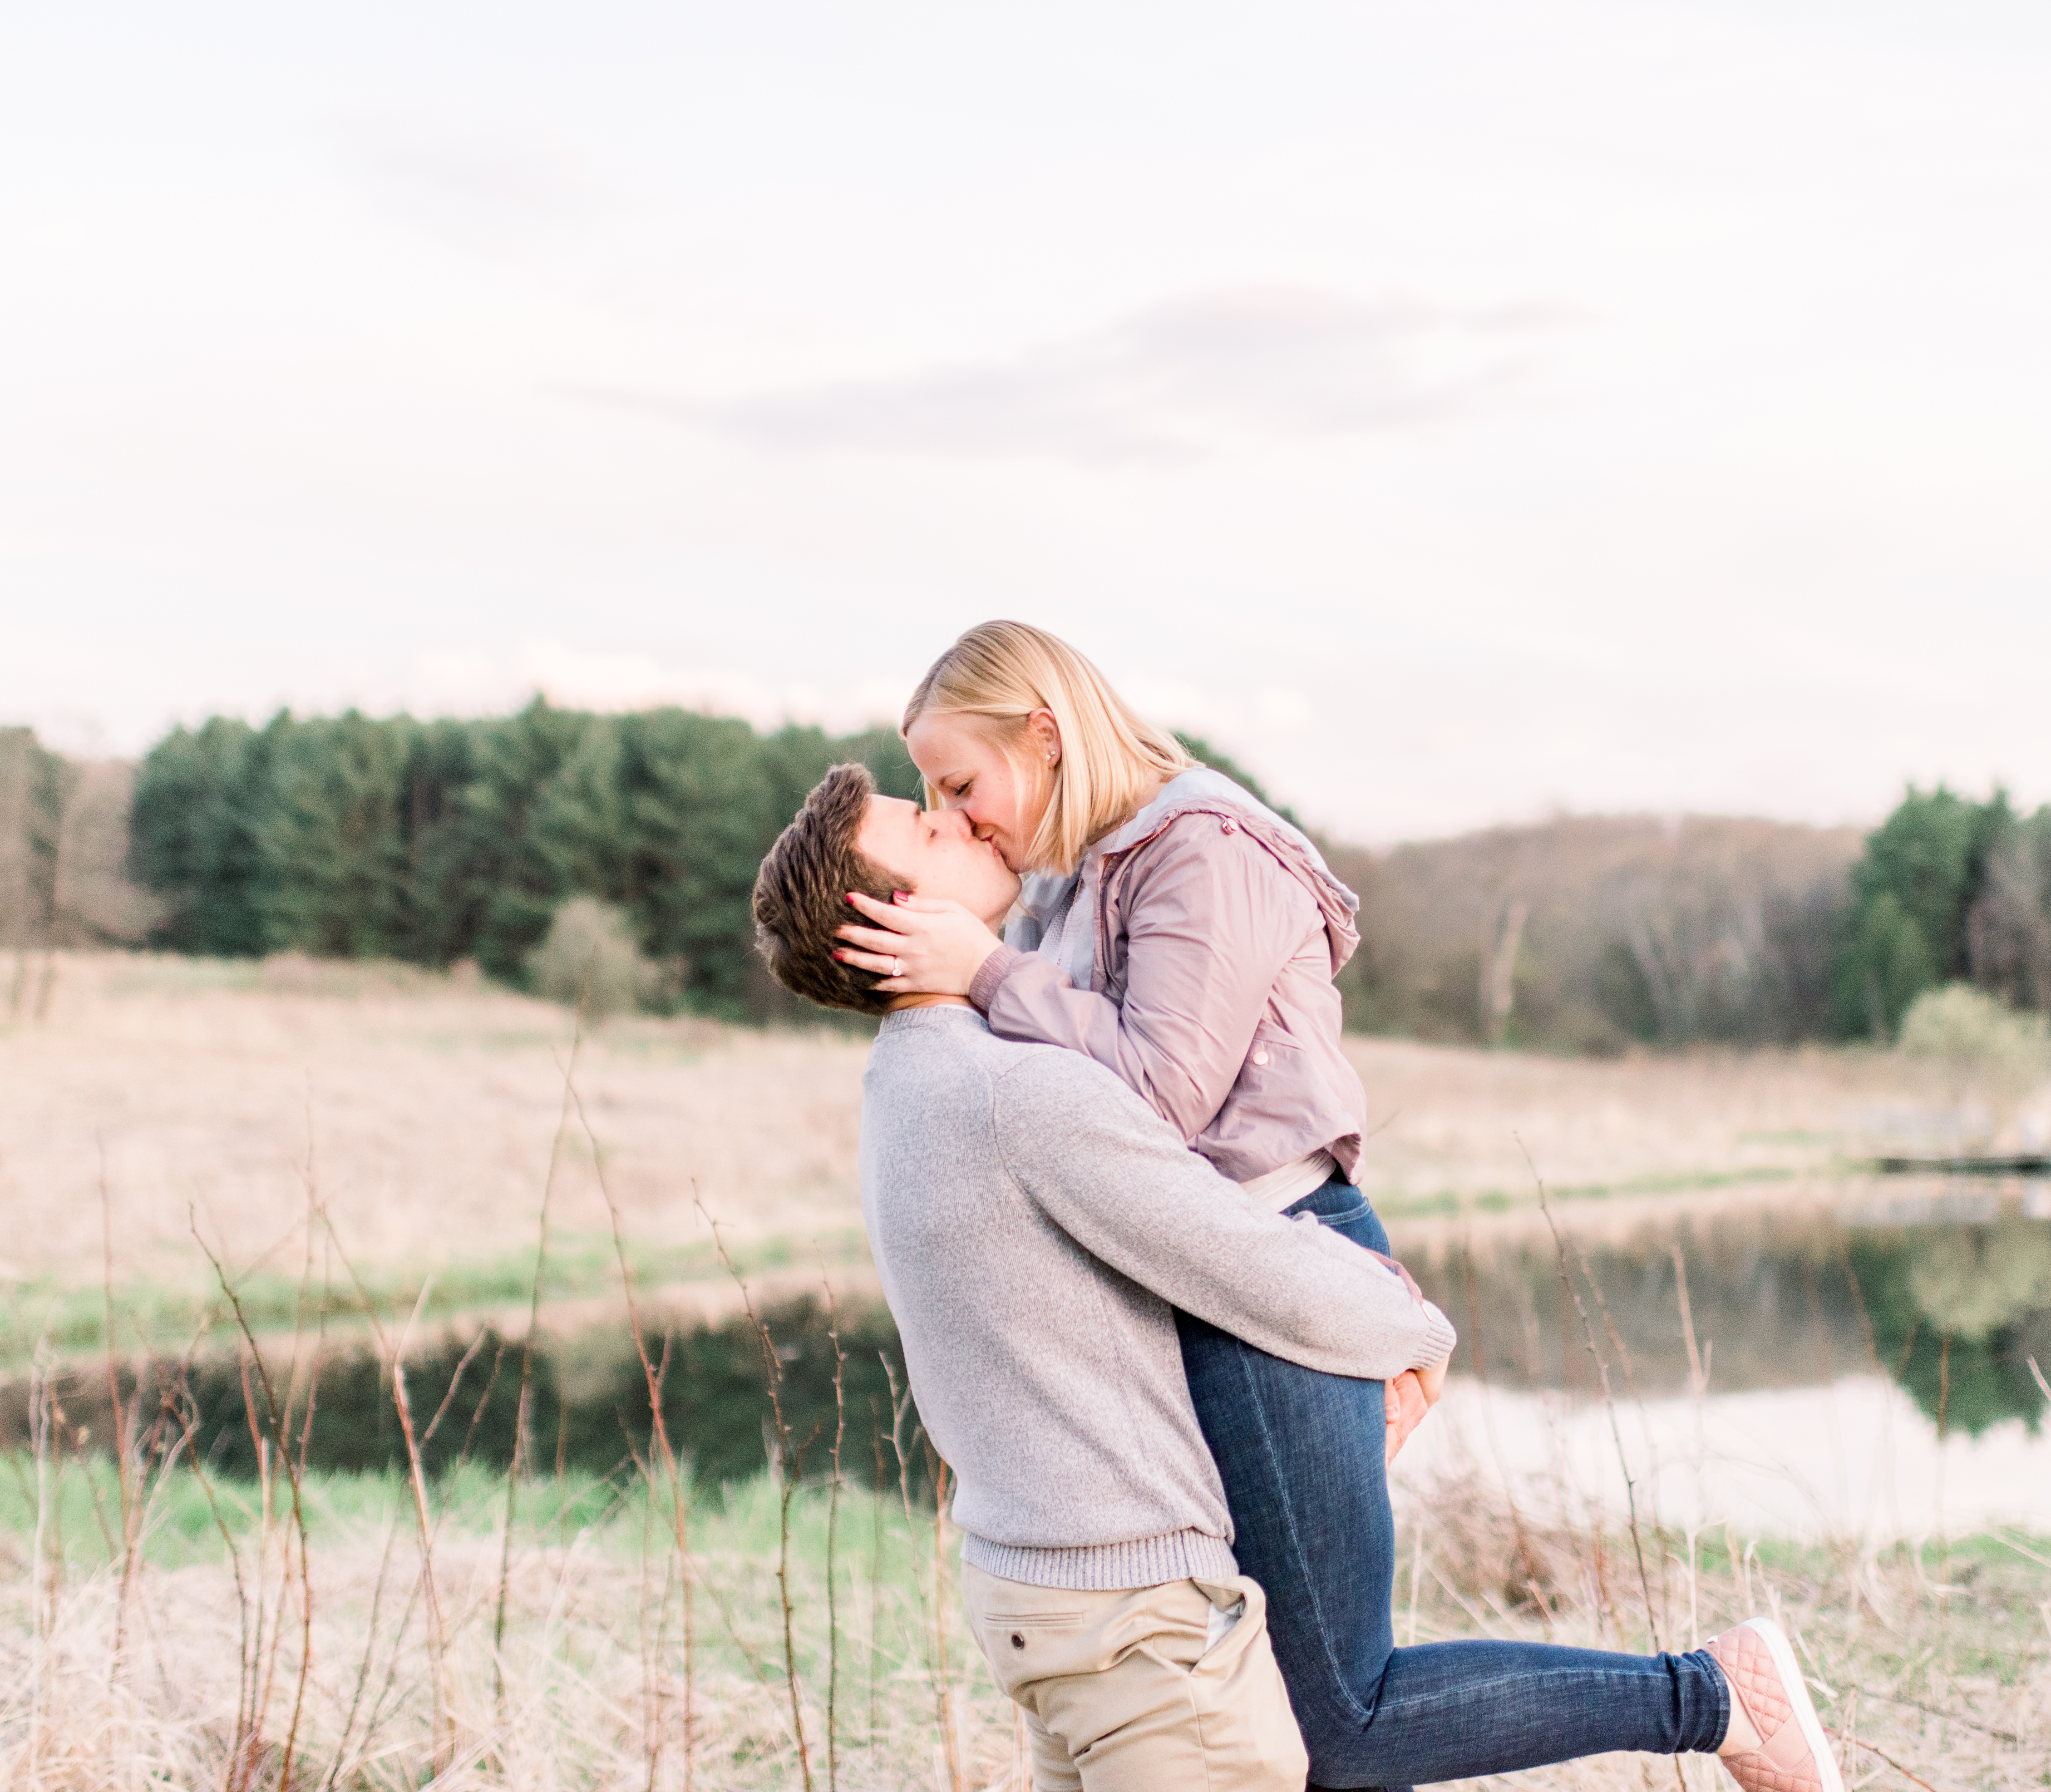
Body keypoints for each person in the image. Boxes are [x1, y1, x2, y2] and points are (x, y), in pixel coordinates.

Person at [827, 623, 1842, 1792]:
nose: (958, 813)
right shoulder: (1072, 872)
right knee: (1289, 1708)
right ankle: (1713, 1699)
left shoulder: (1200, 848)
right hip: (1209, 1274)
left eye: (961, 783)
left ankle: (1713, 1697)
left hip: (1280, 1269)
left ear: (1046, 737)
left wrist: (987, 971)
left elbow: (1156, 1099)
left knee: (1339, 1720)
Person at [754, 767, 1455, 1791]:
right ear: (896, 915)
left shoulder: (902, 1085)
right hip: (1138, 1631)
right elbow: (1244, 1262)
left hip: (1035, 1602)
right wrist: (1414, 1328)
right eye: (925, 826)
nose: (953, 817)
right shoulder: (1020, 1093)